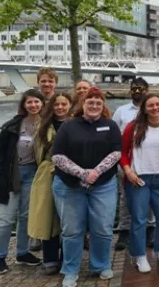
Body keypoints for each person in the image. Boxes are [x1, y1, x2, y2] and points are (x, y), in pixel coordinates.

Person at [52, 87, 121, 287]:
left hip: (103, 184)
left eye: (98, 102)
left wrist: (96, 172)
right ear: (82, 104)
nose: (94, 105)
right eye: (90, 101)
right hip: (69, 185)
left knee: (103, 227)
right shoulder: (68, 126)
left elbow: (116, 152)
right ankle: (71, 270)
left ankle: (101, 265)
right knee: (72, 230)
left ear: (103, 106)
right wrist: (82, 173)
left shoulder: (110, 125)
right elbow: (57, 156)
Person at [121, 94, 159, 273]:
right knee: (139, 219)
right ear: (144, 109)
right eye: (150, 105)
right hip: (139, 179)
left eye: (158, 104)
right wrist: (128, 171)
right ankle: (139, 255)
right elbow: (123, 152)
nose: (155, 108)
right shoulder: (133, 127)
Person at [0, 89, 45, 274]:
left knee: (25, 217)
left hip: (33, 174)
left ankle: (23, 252)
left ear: (42, 104)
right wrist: (1, 171)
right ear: (24, 105)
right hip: (11, 175)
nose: (33, 105)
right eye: (29, 102)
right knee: (6, 219)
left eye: (37, 102)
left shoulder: (45, 125)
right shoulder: (13, 125)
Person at [28, 92, 73, 275]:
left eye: (64, 104)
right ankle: (50, 258)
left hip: (71, 172)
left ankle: (67, 258)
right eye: (57, 104)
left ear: (70, 106)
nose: (60, 107)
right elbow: (38, 152)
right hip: (47, 173)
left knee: (69, 219)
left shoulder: (76, 124)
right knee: (48, 216)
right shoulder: (43, 125)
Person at [112, 78, 155, 251]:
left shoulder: (153, 110)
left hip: (149, 162)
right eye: (134, 88)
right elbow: (114, 136)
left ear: (147, 90)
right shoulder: (121, 112)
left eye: (141, 89)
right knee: (125, 198)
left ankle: (150, 228)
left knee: (149, 197)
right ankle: (124, 231)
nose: (137, 91)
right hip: (126, 163)